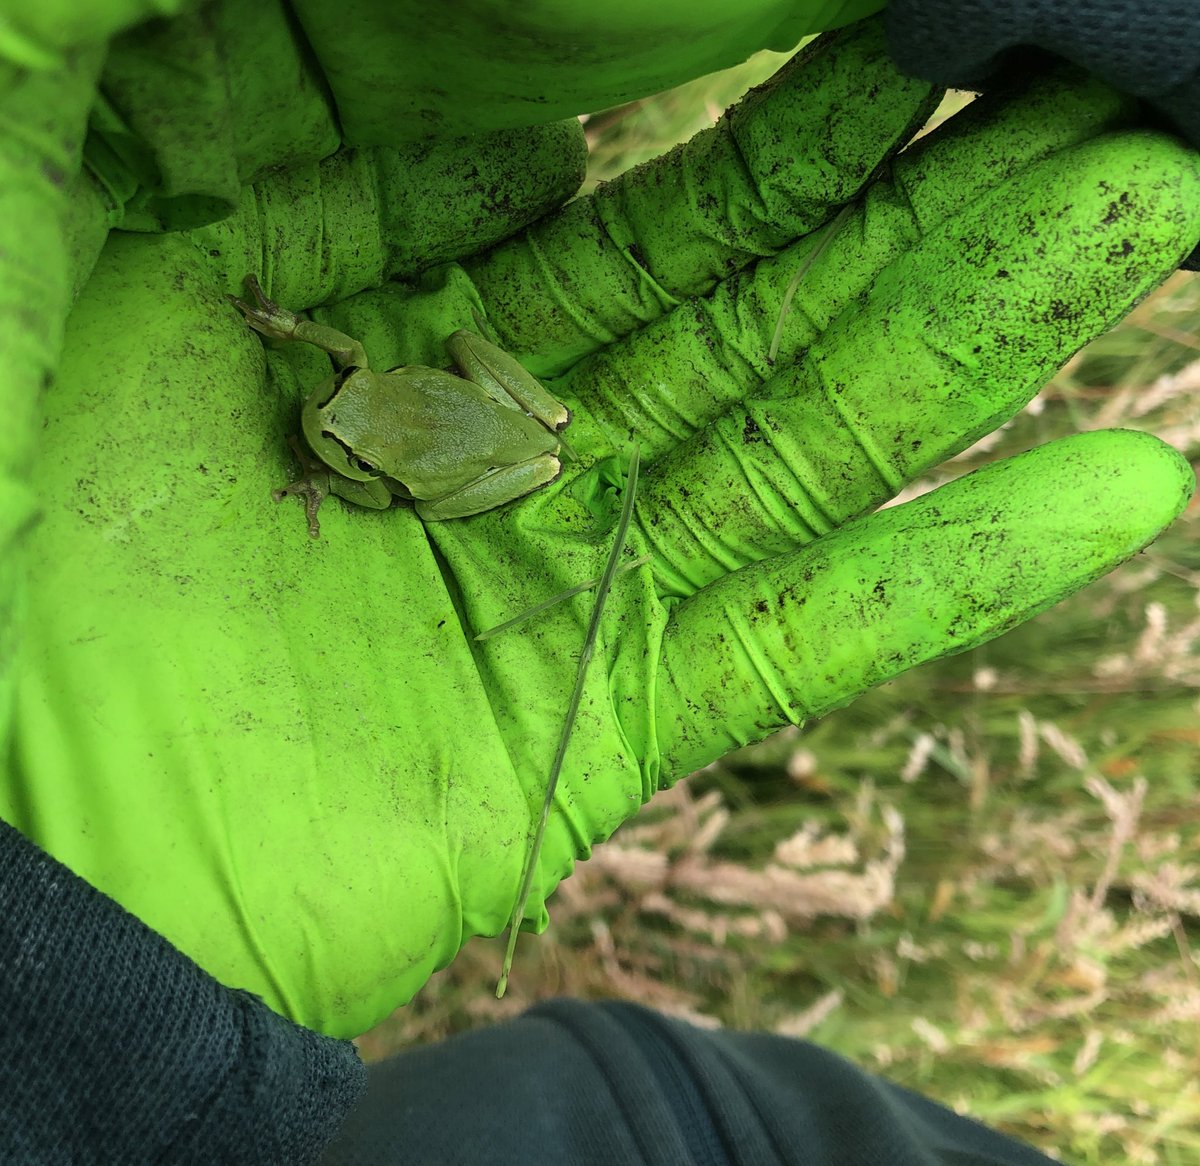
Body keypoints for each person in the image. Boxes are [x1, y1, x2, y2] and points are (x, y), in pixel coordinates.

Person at [1, 3, 1196, 1162]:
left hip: (465, 449)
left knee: (458, 439)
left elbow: (376, 437)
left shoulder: (355, 449)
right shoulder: (343, 401)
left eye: (336, 449)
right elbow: (346, 370)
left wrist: (346, 467)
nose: (324, 439)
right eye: (333, 439)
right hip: (454, 414)